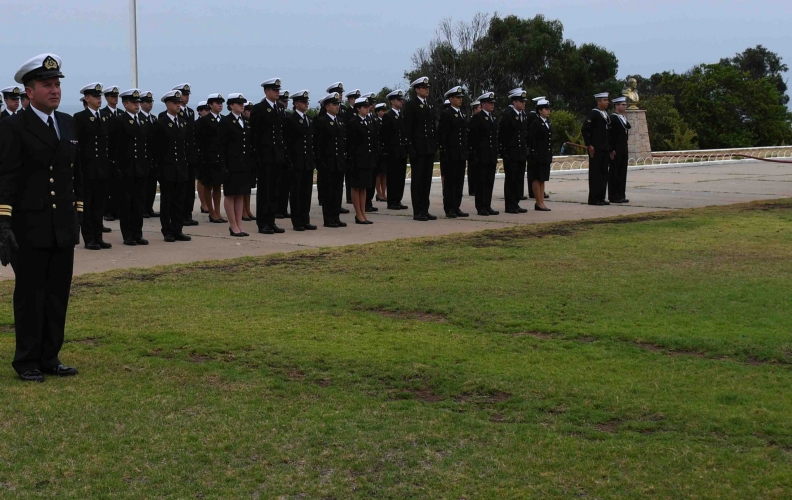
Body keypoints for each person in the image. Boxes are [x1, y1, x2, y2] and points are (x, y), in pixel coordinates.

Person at [0, 53, 82, 382]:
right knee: (30, 294)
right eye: (46, 85)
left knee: (57, 292)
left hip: (61, 224)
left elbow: (75, 175)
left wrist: (77, 214)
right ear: (29, 92)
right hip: (28, 225)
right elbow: (5, 177)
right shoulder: (12, 126)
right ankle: (27, 360)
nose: (54, 90)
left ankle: (51, 356)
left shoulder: (67, 123)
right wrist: (3, 223)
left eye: (57, 84)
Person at [74, 83, 112, 250]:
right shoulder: (79, 117)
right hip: (87, 168)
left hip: (102, 169)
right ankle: (89, 238)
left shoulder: (104, 117)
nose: (99, 99)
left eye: (100, 96)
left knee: (99, 205)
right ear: (87, 98)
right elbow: (77, 145)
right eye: (95, 96)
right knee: (87, 206)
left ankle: (98, 236)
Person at [112, 89, 151, 245]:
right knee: (126, 204)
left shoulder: (142, 120)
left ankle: (138, 233)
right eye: (133, 102)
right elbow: (115, 146)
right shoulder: (119, 120)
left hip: (140, 168)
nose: (137, 105)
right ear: (125, 104)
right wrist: (116, 167)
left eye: (138, 102)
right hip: (126, 169)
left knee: (139, 203)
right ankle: (128, 235)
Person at [152, 90, 191, 242]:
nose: (178, 105)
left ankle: (178, 229)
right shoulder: (160, 123)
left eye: (179, 103)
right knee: (167, 201)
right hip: (166, 168)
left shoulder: (183, 122)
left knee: (179, 201)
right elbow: (156, 148)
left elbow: (185, 146)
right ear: (168, 105)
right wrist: (157, 168)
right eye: (175, 103)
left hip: (180, 167)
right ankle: (167, 230)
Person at [250, 77, 287, 234]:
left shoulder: (279, 108)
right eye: (274, 90)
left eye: (278, 90)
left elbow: (280, 133)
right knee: (264, 191)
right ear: (267, 91)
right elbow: (254, 134)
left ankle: (271, 221)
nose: (278, 92)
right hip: (264, 156)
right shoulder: (259, 108)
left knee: (274, 190)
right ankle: (263, 222)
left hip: (277, 155)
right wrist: (256, 156)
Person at [403, 76, 438, 221]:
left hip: (428, 148)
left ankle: (425, 208)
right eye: (424, 88)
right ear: (417, 90)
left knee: (426, 181)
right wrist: (411, 148)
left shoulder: (429, 104)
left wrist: (433, 145)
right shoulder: (411, 105)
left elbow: (431, 127)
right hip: (418, 149)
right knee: (417, 181)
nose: (427, 90)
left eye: (428, 87)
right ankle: (418, 211)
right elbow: (408, 128)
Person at [219, 93, 253, 237]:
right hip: (231, 164)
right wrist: (222, 166)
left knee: (240, 195)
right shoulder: (226, 122)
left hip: (243, 164)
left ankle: (239, 224)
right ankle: (232, 225)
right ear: (231, 105)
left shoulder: (244, 121)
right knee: (230, 194)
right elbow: (221, 145)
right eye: (238, 103)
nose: (242, 105)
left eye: (242, 103)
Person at [284, 90, 317, 231]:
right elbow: (288, 142)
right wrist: (289, 161)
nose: (306, 104)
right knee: (296, 193)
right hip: (296, 161)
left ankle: (305, 219)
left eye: (307, 102)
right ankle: (297, 221)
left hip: (307, 161)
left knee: (306, 192)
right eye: (303, 102)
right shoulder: (291, 120)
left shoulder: (309, 119)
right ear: (296, 104)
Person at [313, 93, 348, 228]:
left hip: (339, 161)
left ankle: (336, 216)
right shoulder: (321, 122)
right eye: (334, 104)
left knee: (338, 191)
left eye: (338, 104)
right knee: (328, 192)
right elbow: (318, 144)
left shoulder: (340, 120)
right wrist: (320, 162)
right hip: (327, 162)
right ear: (327, 107)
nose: (337, 106)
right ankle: (328, 219)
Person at [437, 86, 469, 218]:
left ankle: (456, 206)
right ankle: (449, 207)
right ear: (451, 99)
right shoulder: (447, 114)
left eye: (461, 97)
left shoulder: (461, 112)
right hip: (451, 154)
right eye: (457, 97)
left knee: (459, 182)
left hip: (460, 153)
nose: (460, 100)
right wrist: (445, 152)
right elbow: (443, 135)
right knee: (450, 182)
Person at [195, 93, 227, 223]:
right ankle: (211, 212)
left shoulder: (224, 119)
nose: (220, 105)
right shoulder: (203, 121)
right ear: (210, 105)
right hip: (207, 158)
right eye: (216, 103)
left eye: (221, 103)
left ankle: (218, 212)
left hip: (220, 158)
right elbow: (199, 141)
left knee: (218, 186)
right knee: (208, 185)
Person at [171, 84, 199, 226]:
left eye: (188, 94)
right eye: (184, 94)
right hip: (179, 155)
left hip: (190, 155)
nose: (186, 97)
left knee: (189, 188)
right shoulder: (170, 115)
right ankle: (180, 215)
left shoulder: (190, 112)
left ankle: (188, 213)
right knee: (180, 189)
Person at [468, 91, 499, 216]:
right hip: (481, 156)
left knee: (489, 182)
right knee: (481, 182)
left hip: (491, 155)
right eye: (490, 103)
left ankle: (487, 205)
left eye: (493, 103)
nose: (492, 105)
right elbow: (473, 138)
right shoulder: (477, 117)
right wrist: (474, 155)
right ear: (483, 104)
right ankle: (481, 207)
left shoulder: (492, 117)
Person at [346, 98, 375, 224]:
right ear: (358, 108)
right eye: (364, 107)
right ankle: (358, 214)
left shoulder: (369, 121)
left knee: (364, 187)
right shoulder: (353, 122)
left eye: (367, 106)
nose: (367, 108)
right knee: (356, 187)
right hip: (356, 159)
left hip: (367, 159)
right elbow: (350, 143)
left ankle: (363, 213)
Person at [499, 88, 529, 214]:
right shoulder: (508, 115)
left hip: (520, 152)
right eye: (521, 101)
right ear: (515, 102)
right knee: (511, 179)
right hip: (511, 153)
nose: (524, 103)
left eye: (524, 101)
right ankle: (509, 205)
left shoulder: (523, 115)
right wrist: (504, 152)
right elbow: (503, 135)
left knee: (519, 179)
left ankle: (516, 202)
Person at [581, 92, 612, 206]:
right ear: (598, 101)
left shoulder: (605, 114)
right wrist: (589, 144)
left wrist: (610, 148)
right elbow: (585, 130)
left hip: (605, 148)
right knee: (596, 173)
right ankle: (594, 198)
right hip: (596, 148)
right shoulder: (594, 113)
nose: (607, 102)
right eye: (604, 100)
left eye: (607, 100)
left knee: (604, 173)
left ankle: (601, 197)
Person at [381, 89, 408, 210]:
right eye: (398, 99)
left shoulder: (402, 115)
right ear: (392, 101)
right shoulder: (388, 116)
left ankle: (398, 199)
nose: (401, 101)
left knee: (401, 177)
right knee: (393, 177)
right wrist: (387, 151)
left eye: (401, 99)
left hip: (402, 151)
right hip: (392, 152)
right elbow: (385, 135)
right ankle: (392, 201)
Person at [101, 85, 123, 222]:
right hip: (107, 154)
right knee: (108, 185)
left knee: (119, 185)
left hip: (119, 154)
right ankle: (108, 211)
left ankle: (117, 209)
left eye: (117, 96)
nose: (115, 99)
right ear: (107, 98)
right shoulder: (103, 114)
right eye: (113, 96)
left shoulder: (121, 113)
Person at [528, 99, 553, 211]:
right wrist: (533, 154)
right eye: (546, 109)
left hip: (545, 155)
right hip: (537, 155)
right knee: (536, 178)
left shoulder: (547, 122)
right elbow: (531, 140)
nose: (548, 111)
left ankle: (542, 201)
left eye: (549, 109)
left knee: (542, 179)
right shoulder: (536, 123)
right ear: (539, 111)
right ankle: (538, 202)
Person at [139, 91, 160, 219]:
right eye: (147, 102)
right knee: (144, 184)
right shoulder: (139, 118)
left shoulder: (153, 118)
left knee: (152, 184)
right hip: (143, 155)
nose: (150, 104)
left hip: (153, 156)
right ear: (141, 103)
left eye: (151, 102)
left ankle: (149, 207)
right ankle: (143, 208)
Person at [609, 96, 631, 203]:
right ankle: (614, 196)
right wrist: (611, 149)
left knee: (622, 171)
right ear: (616, 106)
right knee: (615, 172)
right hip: (616, 148)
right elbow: (610, 135)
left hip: (623, 147)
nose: (625, 106)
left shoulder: (623, 117)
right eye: (623, 105)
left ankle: (621, 194)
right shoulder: (613, 118)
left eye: (625, 104)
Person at [275, 89, 292, 219]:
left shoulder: (287, 115)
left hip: (286, 153)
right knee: (277, 184)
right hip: (277, 153)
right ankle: (277, 209)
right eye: (282, 101)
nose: (285, 104)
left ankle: (283, 208)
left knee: (286, 184)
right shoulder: (277, 115)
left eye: (286, 101)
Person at [241, 101, 255, 221]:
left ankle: (247, 209)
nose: (249, 113)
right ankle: (243, 210)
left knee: (249, 186)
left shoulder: (250, 122)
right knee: (243, 186)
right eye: (248, 110)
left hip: (250, 157)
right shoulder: (241, 122)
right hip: (242, 158)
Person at [373, 102, 388, 204]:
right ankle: (378, 193)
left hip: (385, 150)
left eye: (385, 110)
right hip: (378, 150)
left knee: (384, 174)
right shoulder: (375, 122)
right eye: (382, 111)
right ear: (377, 112)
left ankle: (384, 192)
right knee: (378, 174)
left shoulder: (386, 121)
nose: (384, 112)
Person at [467, 99, 481, 196]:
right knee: (472, 170)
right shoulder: (473, 120)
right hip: (472, 149)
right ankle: (472, 189)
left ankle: (476, 188)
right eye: (479, 107)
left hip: (478, 149)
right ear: (475, 109)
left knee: (477, 170)